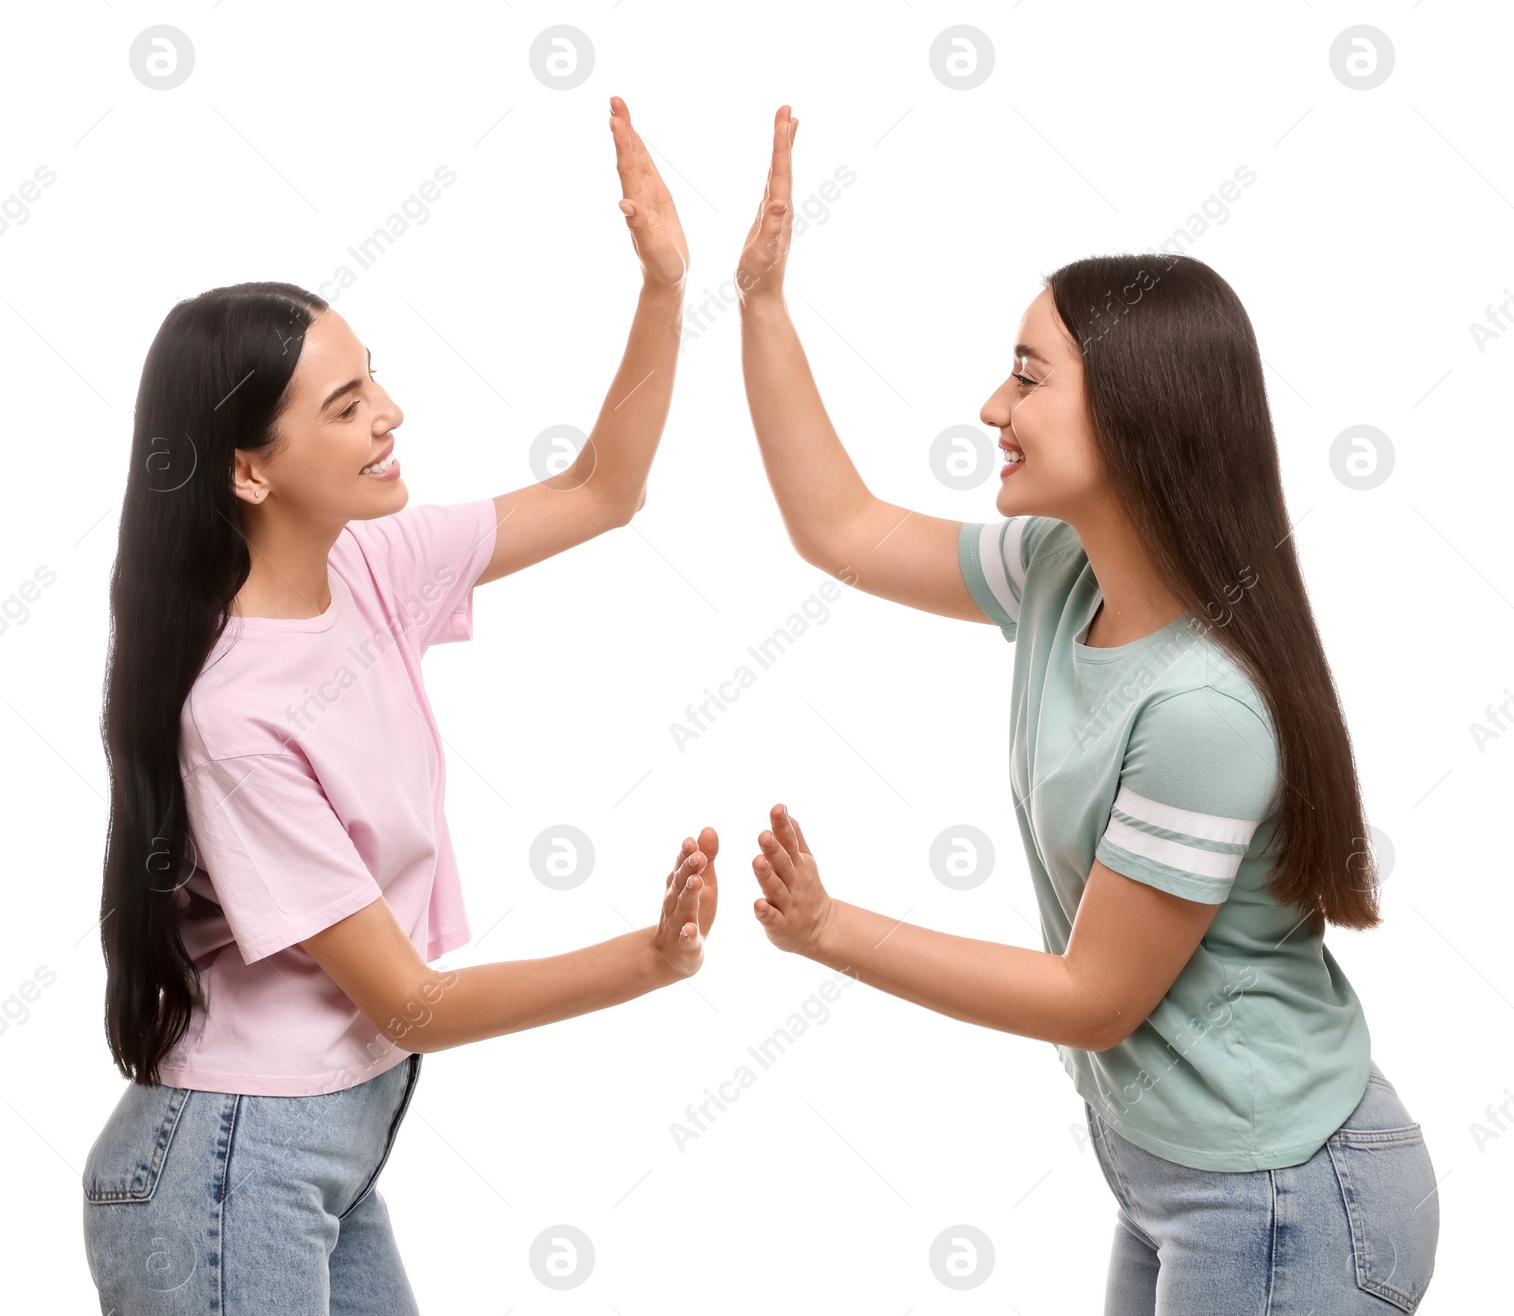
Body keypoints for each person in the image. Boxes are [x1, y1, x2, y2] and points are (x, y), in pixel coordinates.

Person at [734, 104, 1439, 1314]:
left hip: (1282, 1197)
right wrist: (758, 304)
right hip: (1182, 1174)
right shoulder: (1062, 573)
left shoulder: (1204, 706)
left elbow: (1093, 996)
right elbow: (841, 527)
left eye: (1024, 375)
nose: (987, 408)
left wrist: (829, 929)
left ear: (1132, 407)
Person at [81, 96, 715, 1315]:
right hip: (228, 1172)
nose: (391, 415)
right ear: (250, 470)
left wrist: (662, 287)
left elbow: (603, 487)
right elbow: (408, 998)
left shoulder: (369, 565)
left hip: (322, 1156)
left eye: (374, 380)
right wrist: (645, 958)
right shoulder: (235, 715)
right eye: (344, 405)